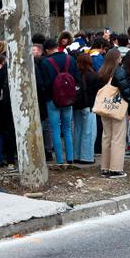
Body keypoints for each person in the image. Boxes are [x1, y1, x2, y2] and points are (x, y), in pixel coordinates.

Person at [40, 32, 78, 167]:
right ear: (57, 46)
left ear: (47, 50)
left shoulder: (46, 62)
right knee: (67, 129)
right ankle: (71, 158)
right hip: (68, 99)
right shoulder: (71, 60)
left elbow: (44, 83)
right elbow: (77, 79)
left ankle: (60, 161)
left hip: (52, 99)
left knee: (55, 129)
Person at [95, 48, 127, 177]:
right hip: (117, 107)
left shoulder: (102, 72)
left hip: (104, 107)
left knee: (106, 136)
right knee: (118, 138)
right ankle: (116, 168)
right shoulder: (119, 72)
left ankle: (105, 167)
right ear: (116, 58)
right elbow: (125, 90)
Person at [72, 50, 100, 164]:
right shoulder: (93, 75)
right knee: (88, 131)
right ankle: (87, 156)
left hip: (76, 105)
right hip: (89, 106)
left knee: (77, 130)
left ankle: (76, 155)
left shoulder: (74, 74)